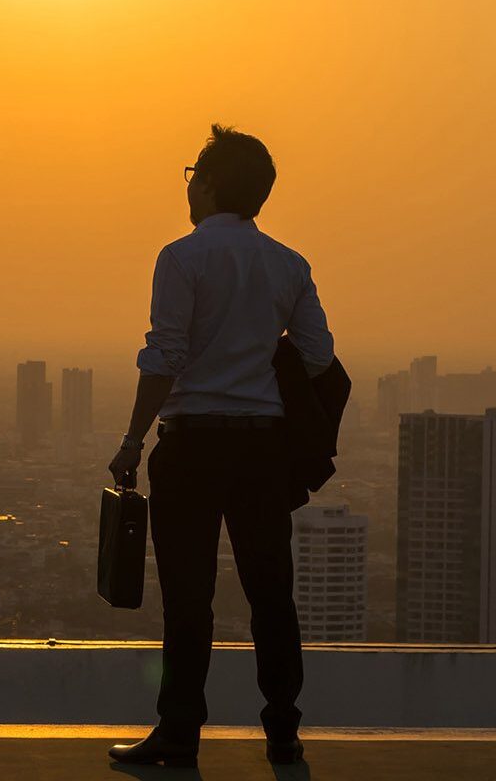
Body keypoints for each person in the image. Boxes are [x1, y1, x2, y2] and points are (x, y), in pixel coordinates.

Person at [106, 125, 334, 767]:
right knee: (271, 593)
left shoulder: (180, 259)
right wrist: (256, 346)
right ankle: (283, 732)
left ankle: (179, 734)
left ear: (205, 185)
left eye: (192, 177)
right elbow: (319, 356)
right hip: (263, 451)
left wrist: (131, 438)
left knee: (188, 598)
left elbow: (165, 356)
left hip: (192, 447)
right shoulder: (289, 265)